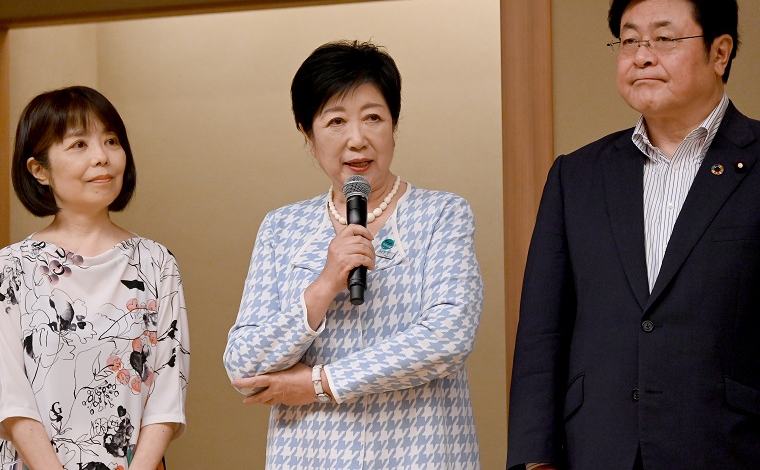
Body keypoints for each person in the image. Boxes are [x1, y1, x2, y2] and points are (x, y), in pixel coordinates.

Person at [507, 0, 760, 468]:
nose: (642, 56)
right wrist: (534, 458)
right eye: (628, 41)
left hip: (730, 446)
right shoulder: (576, 176)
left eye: (664, 39)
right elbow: (542, 331)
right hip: (600, 448)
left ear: (720, 51)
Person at [223, 40, 483, 469]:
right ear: (308, 136)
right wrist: (324, 285)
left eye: (373, 118)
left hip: (421, 453)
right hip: (312, 455)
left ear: (393, 126)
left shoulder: (442, 214)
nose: (357, 139)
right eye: (336, 121)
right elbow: (244, 362)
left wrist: (322, 383)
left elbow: (447, 337)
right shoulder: (282, 228)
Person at [0, 86, 190, 470]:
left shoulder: (156, 263)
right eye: (79, 145)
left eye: (111, 140)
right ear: (39, 170)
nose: (102, 157)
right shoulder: (11, 268)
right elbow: (10, 398)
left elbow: (167, 394)